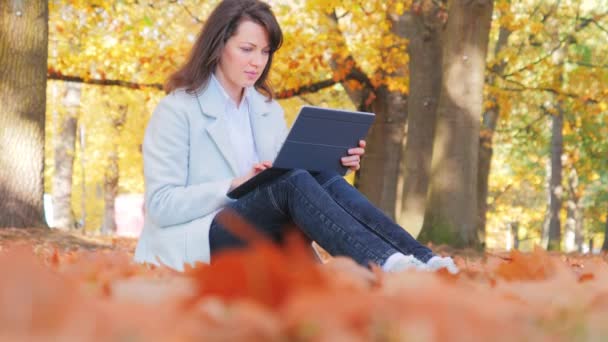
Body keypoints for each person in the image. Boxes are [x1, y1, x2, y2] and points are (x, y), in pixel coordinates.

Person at [134, 0, 458, 274]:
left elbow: (294, 178)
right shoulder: (177, 110)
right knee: (289, 181)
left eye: (264, 51)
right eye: (246, 49)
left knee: (321, 175)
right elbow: (161, 205)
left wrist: (334, 161)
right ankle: (386, 265)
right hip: (200, 237)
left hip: (261, 228)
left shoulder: (267, 110)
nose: (257, 62)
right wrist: (233, 185)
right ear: (218, 46)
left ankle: (424, 261)